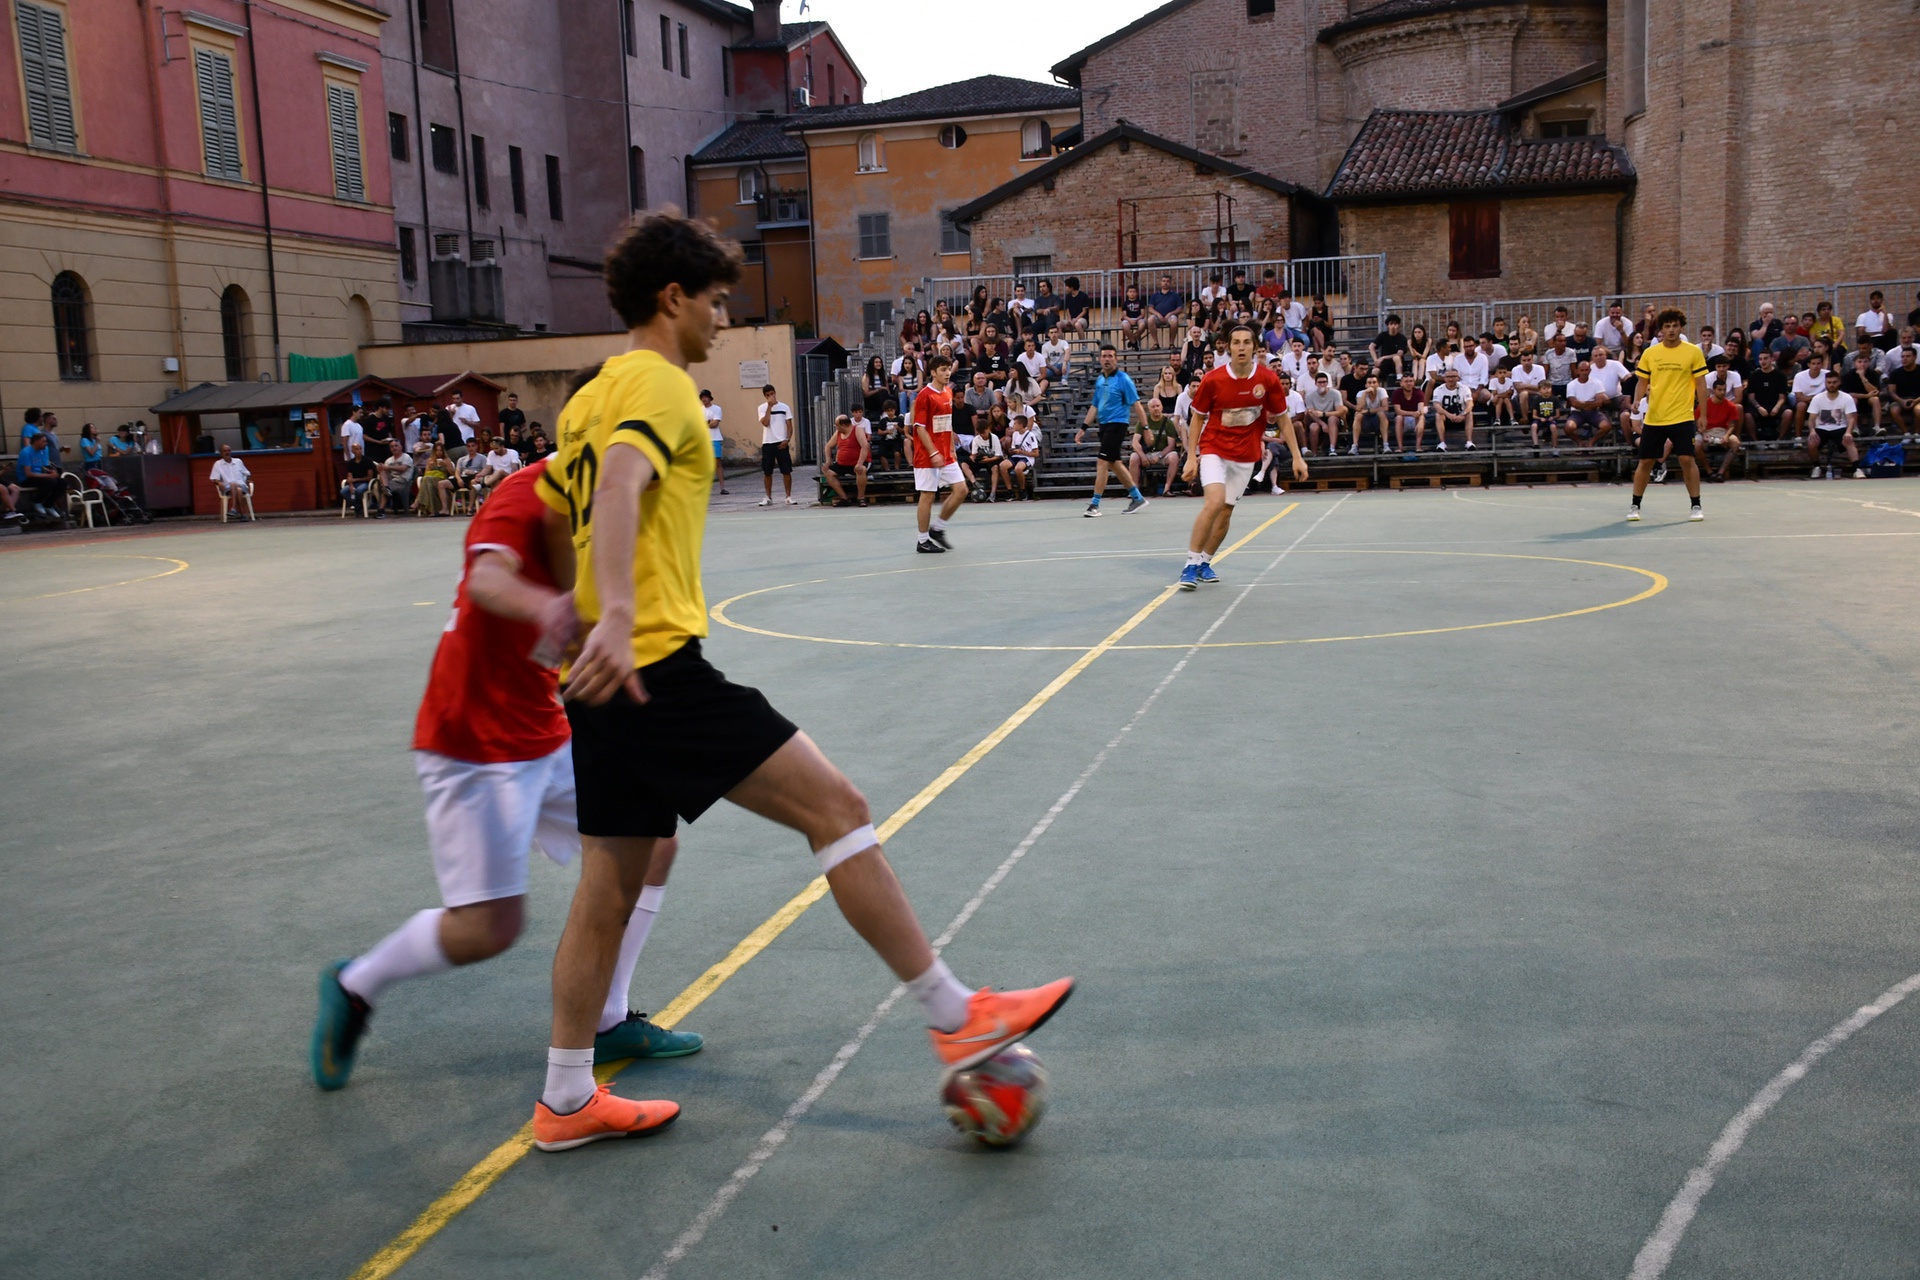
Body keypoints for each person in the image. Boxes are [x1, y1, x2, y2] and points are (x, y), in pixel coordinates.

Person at [535, 213, 1072, 1146]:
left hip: (599, 682)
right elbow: (619, 485)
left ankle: (567, 1100)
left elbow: (554, 507)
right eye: (714, 300)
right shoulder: (658, 384)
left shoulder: (589, 399)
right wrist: (614, 614)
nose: (720, 318)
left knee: (606, 888)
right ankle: (956, 1016)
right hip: (654, 666)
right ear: (672, 298)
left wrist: (568, 610)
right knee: (838, 809)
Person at [311, 462, 701, 1093]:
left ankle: (607, 1020)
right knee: (488, 927)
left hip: (544, 724)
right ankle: (356, 984)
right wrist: (547, 606)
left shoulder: (619, 495)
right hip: (474, 737)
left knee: (652, 842)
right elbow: (488, 578)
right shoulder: (531, 488)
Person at [1178, 323, 1305, 591]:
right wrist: (1191, 456)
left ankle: (1205, 562)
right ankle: (1190, 564)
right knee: (1214, 503)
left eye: (1247, 342)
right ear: (1229, 347)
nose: (1241, 347)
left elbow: (1283, 418)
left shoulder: (1267, 380)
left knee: (1225, 512)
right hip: (1214, 449)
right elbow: (1197, 418)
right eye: (1236, 342)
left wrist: (1297, 456)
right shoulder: (1213, 379)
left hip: (1246, 456)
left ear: (1255, 347)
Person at [1628, 309, 1708, 523]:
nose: (1671, 330)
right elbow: (1642, 382)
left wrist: (1703, 414)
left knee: (1686, 459)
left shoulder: (1693, 352)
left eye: (1675, 326)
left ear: (1681, 327)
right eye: (1667, 326)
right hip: (1655, 417)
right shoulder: (1650, 353)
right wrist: (1637, 400)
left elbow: (1701, 385)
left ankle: (1696, 505)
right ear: (1661, 329)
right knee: (1646, 461)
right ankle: (1635, 505)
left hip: (1683, 416)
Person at [1075, 343, 1148, 517]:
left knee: (1102, 461)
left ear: (1116, 359)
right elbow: (1095, 406)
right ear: (1100, 359)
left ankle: (1094, 504)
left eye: (1110, 356)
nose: (1107, 359)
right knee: (1115, 464)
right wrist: (1083, 428)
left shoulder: (1124, 379)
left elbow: (1137, 404)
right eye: (1104, 356)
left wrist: (1146, 428)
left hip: (1118, 424)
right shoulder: (1100, 380)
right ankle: (1137, 498)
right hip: (1104, 425)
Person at [911, 353, 967, 552]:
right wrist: (934, 453)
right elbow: (919, 427)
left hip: (946, 454)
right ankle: (922, 541)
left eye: (949, 369)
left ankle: (938, 528)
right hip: (927, 456)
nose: (947, 373)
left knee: (961, 490)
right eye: (943, 370)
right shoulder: (925, 395)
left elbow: (947, 424)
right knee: (927, 495)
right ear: (933, 372)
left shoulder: (948, 393)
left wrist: (951, 448)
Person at [1804, 369, 1862, 477]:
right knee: (1811, 442)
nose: (1831, 385)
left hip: (1840, 428)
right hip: (1821, 428)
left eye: (1834, 382)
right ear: (1825, 383)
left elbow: (1851, 418)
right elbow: (1811, 419)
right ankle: (1816, 467)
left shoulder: (1847, 398)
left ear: (1839, 382)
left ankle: (1856, 469)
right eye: (1829, 382)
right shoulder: (1817, 398)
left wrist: (1848, 432)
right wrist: (1812, 431)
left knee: (1849, 441)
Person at [1695, 378, 1743, 482]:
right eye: (1719, 389)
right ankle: (1710, 472)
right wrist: (1703, 434)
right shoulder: (1704, 404)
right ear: (1714, 390)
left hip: (1722, 431)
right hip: (1706, 431)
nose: (1722, 392)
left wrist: (1726, 436)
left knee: (1735, 443)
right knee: (1696, 445)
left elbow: (1732, 425)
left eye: (1724, 389)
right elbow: (1698, 422)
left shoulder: (1730, 405)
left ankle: (1721, 472)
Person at [1132, 398, 1183, 497]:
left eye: (1158, 406)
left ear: (1162, 407)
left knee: (1174, 457)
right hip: (1146, 452)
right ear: (1149, 409)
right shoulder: (1143, 421)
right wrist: (1142, 456)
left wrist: (1159, 456)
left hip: (1162, 453)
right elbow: (1135, 442)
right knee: (1133, 457)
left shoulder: (1168, 423)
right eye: (1153, 407)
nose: (1156, 408)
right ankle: (1135, 490)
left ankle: (1166, 489)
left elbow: (1171, 445)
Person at [756, 384, 795, 507]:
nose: (771, 396)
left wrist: (787, 439)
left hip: (782, 442)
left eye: (772, 394)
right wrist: (769, 406)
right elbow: (765, 423)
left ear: (775, 392)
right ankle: (768, 497)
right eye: (768, 395)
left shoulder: (784, 407)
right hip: (768, 442)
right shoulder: (762, 408)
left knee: (786, 470)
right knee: (767, 471)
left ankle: (788, 496)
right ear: (765, 396)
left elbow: (789, 425)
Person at [14, 425, 63, 516]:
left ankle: (49, 505)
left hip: (38, 476)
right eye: (43, 441)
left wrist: (49, 471)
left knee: (62, 482)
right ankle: (37, 501)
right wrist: (48, 476)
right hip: (26, 479)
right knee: (50, 482)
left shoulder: (43, 450)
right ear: (36, 442)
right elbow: (28, 473)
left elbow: (41, 466)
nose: (46, 443)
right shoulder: (26, 452)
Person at [822, 413, 869, 506]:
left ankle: (861, 498)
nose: (836, 427)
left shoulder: (857, 430)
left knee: (861, 470)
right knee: (828, 472)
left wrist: (859, 463)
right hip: (842, 464)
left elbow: (864, 446)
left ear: (843, 425)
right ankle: (844, 497)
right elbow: (828, 446)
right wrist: (828, 461)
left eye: (837, 425)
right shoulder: (838, 433)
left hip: (857, 462)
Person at [1743, 351, 1790, 440]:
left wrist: (1777, 407)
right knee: (1747, 415)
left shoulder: (1780, 375)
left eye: (1765, 358)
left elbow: (1782, 397)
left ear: (1771, 359)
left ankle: (1779, 440)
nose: (1763, 361)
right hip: (1758, 405)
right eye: (1760, 359)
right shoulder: (1753, 375)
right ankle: (1755, 442)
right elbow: (1751, 397)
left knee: (1788, 413)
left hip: (1775, 404)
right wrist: (1759, 407)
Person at [1300, 371, 1347, 456]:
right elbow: (1311, 412)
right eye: (1320, 382)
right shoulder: (1309, 395)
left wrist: (1324, 414)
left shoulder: (1335, 393)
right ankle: (1314, 453)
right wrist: (1322, 424)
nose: (1322, 384)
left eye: (1324, 382)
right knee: (1313, 427)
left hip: (1331, 416)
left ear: (1327, 383)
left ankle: (1332, 448)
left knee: (1332, 419)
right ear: (1316, 383)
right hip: (1316, 419)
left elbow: (1340, 411)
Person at [1430, 368, 1473, 452]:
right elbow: (1436, 405)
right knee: (1438, 414)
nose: (1451, 379)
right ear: (1444, 378)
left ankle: (1469, 442)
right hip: (1446, 418)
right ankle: (1442, 443)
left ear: (1458, 378)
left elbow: (1470, 404)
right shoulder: (1438, 389)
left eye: (1453, 376)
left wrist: (1463, 414)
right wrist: (1448, 415)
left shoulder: (1464, 388)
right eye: (1448, 377)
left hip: (1461, 416)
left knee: (1469, 413)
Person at [1883, 345, 1920, 434]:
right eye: (1903, 356)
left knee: (1918, 411)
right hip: (1900, 400)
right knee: (1894, 410)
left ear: (1915, 357)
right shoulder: (1895, 373)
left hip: (1918, 399)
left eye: (1908, 356)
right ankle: (1906, 433)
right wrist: (1901, 401)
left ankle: (1917, 434)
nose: (1904, 359)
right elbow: (1891, 391)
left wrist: (1915, 401)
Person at [209, 443, 252, 518]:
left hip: (241, 485)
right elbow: (214, 478)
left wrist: (247, 480)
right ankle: (243, 515)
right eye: (225, 451)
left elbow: (247, 473)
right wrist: (219, 483)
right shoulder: (218, 464)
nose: (227, 452)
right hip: (227, 488)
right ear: (221, 453)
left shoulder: (238, 461)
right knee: (237, 489)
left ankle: (234, 509)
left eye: (228, 450)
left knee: (236, 486)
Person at [1389, 372, 1428, 455]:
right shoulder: (1397, 393)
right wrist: (1412, 413)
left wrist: (1420, 419)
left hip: (1415, 419)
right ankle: (1400, 447)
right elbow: (1398, 411)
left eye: (1411, 381)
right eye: (1406, 381)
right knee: (1399, 417)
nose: (1409, 383)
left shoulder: (1419, 393)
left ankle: (1418, 446)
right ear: (1401, 383)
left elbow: (1420, 409)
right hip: (1403, 419)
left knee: (1421, 418)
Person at [700, 389, 728, 495]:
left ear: (710, 398)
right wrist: (708, 422)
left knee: (717, 463)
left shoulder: (716, 409)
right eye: (702, 397)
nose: (704, 399)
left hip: (715, 438)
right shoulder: (699, 410)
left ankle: (722, 487)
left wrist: (705, 423)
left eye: (706, 397)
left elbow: (715, 424)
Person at [1353, 374, 1391, 451]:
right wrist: (1365, 393)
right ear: (1366, 385)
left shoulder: (1382, 391)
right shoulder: (1361, 393)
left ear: (1378, 384)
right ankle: (1354, 446)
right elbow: (1359, 409)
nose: (1372, 385)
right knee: (1358, 415)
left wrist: (1368, 411)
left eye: (1374, 382)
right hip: (1365, 421)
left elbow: (1385, 408)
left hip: (1377, 420)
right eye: (1369, 383)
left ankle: (1385, 445)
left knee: (1381, 413)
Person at [1006, 412, 1040, 500]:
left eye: (1015, 424)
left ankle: (1022, 490)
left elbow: (1036, 453)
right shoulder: (1015, 434)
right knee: (1002, 465)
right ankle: (1010, 490)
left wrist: (1022, 452)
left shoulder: (1030, 435)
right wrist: (1012, 450)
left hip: (1027, 457)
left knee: (1018, 468)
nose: (1013, 425)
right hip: (1016, 456)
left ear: (1021, 425)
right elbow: (1014, 448)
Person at [1147, 274, 1185, 348]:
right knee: (1150, 320)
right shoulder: (1155, 295)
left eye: (1167, 281)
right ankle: (1156, 343)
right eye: (1164, 281)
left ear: (1170, 283)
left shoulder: (1175, 295)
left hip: (1170, 317)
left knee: (1174, 320)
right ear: (1160, 282)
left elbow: (1180, 309)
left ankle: (1171, 343)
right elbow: (1150, 308)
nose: (1165, 283)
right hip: (1158, 317)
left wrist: (1170, 313)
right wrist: (1158, 314)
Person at [378, 439, 415, 514]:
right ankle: (386, 488)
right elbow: (385, 472)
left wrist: (388, 467)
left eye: (396, 446)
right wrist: (380, 468)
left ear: (401, 447)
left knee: (384, 488)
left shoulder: (406, 457)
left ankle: (381, 510)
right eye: (392, 447)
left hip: (403, 481)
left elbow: (403, 468)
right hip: (392, 481)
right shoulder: (389, 460)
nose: (394, 448)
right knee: (382, 472)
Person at [339, 444, 377, 511]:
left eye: (360, 448)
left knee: (358, 490)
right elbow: (350, 476)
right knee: (343, 491)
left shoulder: (367, 460)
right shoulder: (350, 463)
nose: (359, 451)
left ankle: (358, 508)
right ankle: (358, 506)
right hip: (354, 483)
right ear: (352, 451)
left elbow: (369, 477)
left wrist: (356, 480)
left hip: (365, 483)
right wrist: (351, 486)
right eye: (356, 449)